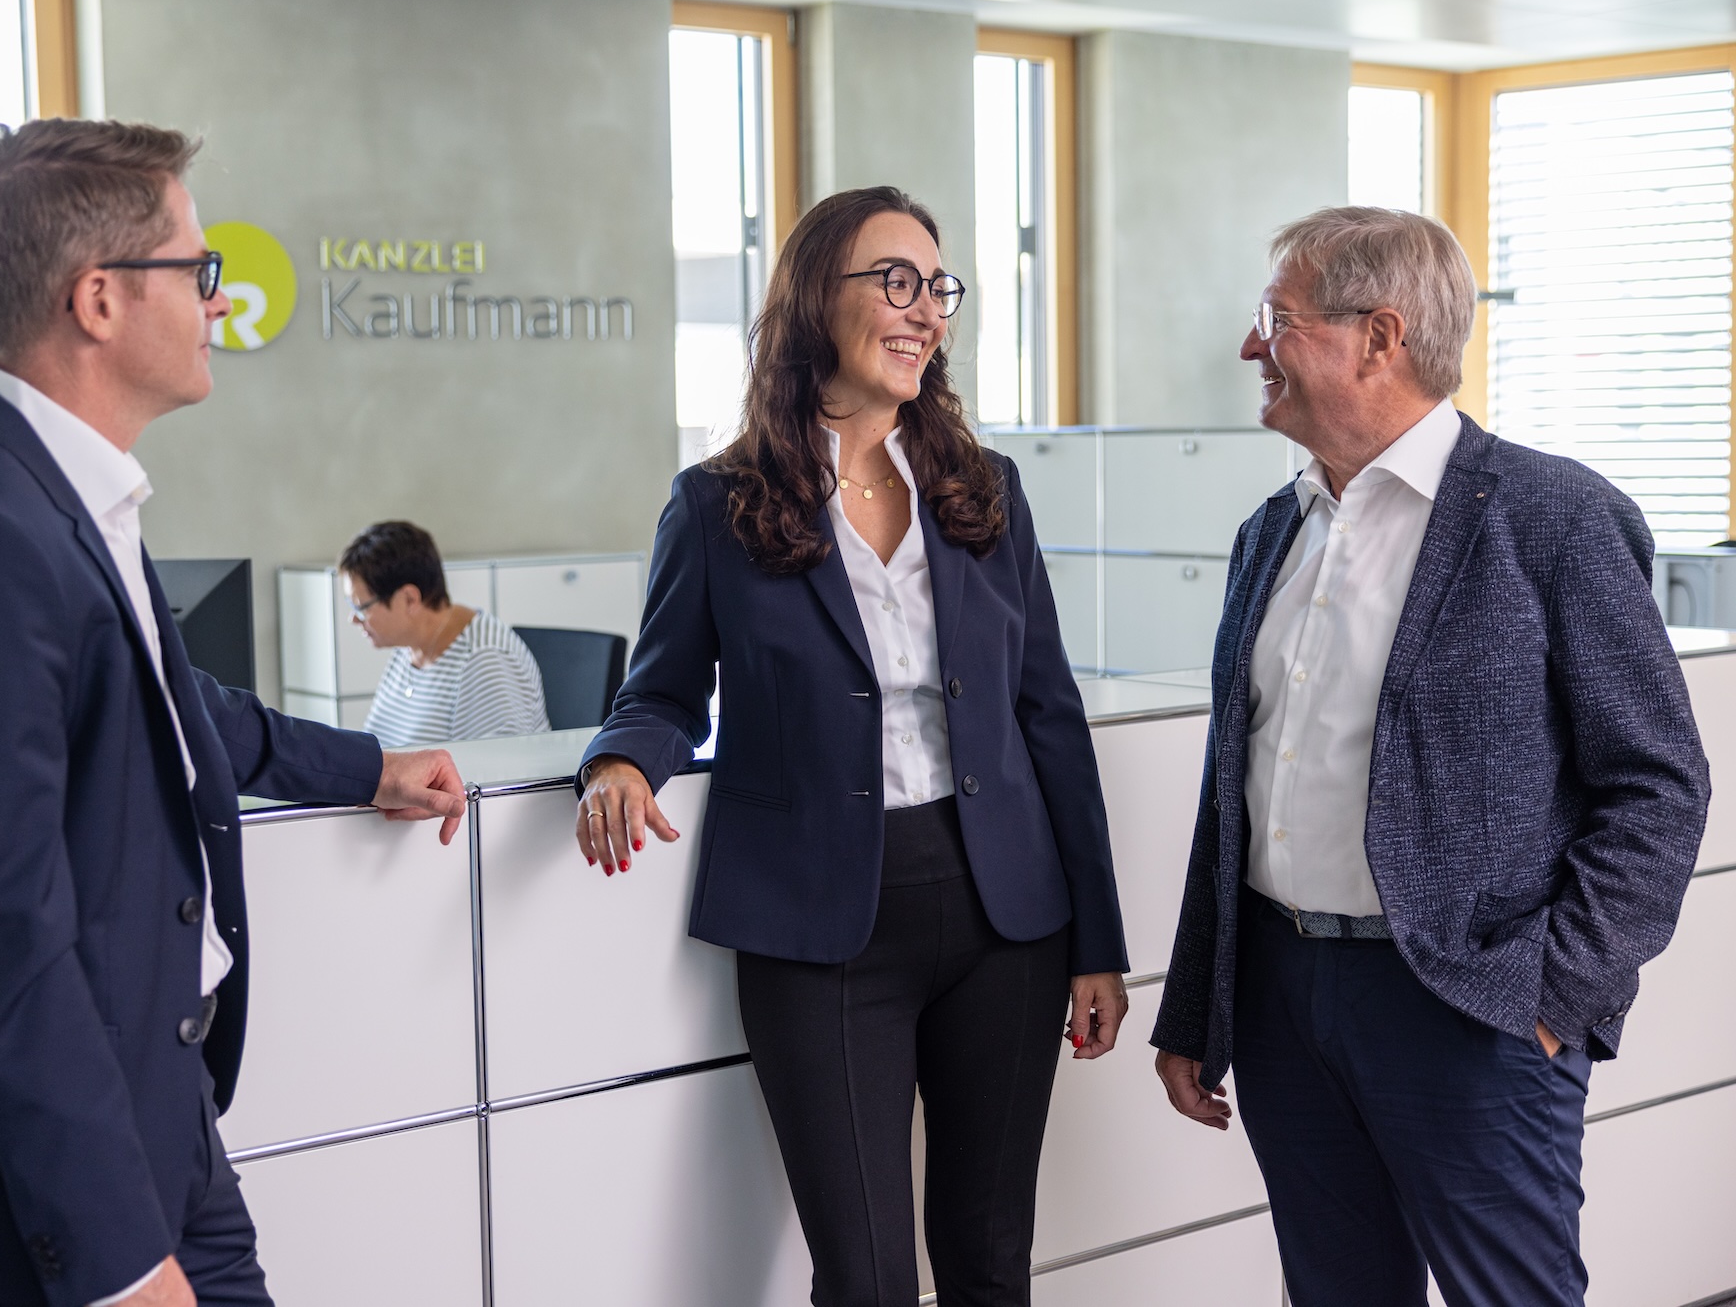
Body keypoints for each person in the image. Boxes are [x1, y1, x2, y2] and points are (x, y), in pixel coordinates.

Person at [0, 119, 468, 1307]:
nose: (219, 299)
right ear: (100, 301)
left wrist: (368, 765)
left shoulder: (59, 490)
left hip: (152, 1116)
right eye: (198, 267)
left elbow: (178, 713)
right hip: (48, 1196)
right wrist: (120, 1260)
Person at [573, 186, 1129, 1307]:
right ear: (813, 301)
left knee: (986, 1264)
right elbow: (665, 685)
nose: (923, 307)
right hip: (821, 921)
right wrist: (622, 757)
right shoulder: (717, 502)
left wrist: (1096, 941)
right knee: (866, 1275)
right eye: (894, 280)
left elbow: (1047, 715)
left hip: (1004, 915)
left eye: (937, 286)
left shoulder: (986, 490)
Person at [1150, 206, 1710, 1307]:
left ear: (1377, 336)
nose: (1249, 347)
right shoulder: (1271, 529)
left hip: (1468, 1007)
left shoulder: (1553, 517)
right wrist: (1196, 1005)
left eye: (1277, 319)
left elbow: (1656, 784)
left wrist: (1551, 996)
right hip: (1279, 997)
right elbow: (1237, 789)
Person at [339, 520, 550, 745]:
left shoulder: (485, 659)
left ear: (409, 598)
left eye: (361, 608)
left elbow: (493, 772)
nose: (353, 619)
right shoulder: (409, 646)